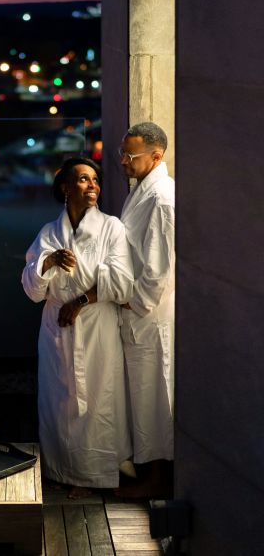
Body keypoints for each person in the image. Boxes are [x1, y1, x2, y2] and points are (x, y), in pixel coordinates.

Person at [21, 157, 134, 498]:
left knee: (98, 398)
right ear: (65, 188)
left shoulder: (111, 227)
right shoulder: (49, 234)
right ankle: (60, 470)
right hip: (57, 329)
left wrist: (80, 301)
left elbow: (122, 282)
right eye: (84, 180)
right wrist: (50, 261)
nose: (93, 186)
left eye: (96, 180)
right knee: (58, 399)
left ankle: (91, 476)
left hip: (96, 326)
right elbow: (32, 290)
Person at [115, 122, 176, 499]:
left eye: (130, 156)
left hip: (150, 316)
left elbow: (159, 268)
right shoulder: (141, 190)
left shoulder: (162, 199)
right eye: (122, 153)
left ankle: (158, 479)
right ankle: (144, 471)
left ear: (157, 156)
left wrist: (131, 299)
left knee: (154, 396)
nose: (123, 161)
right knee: (141, 394)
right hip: (136, 312)